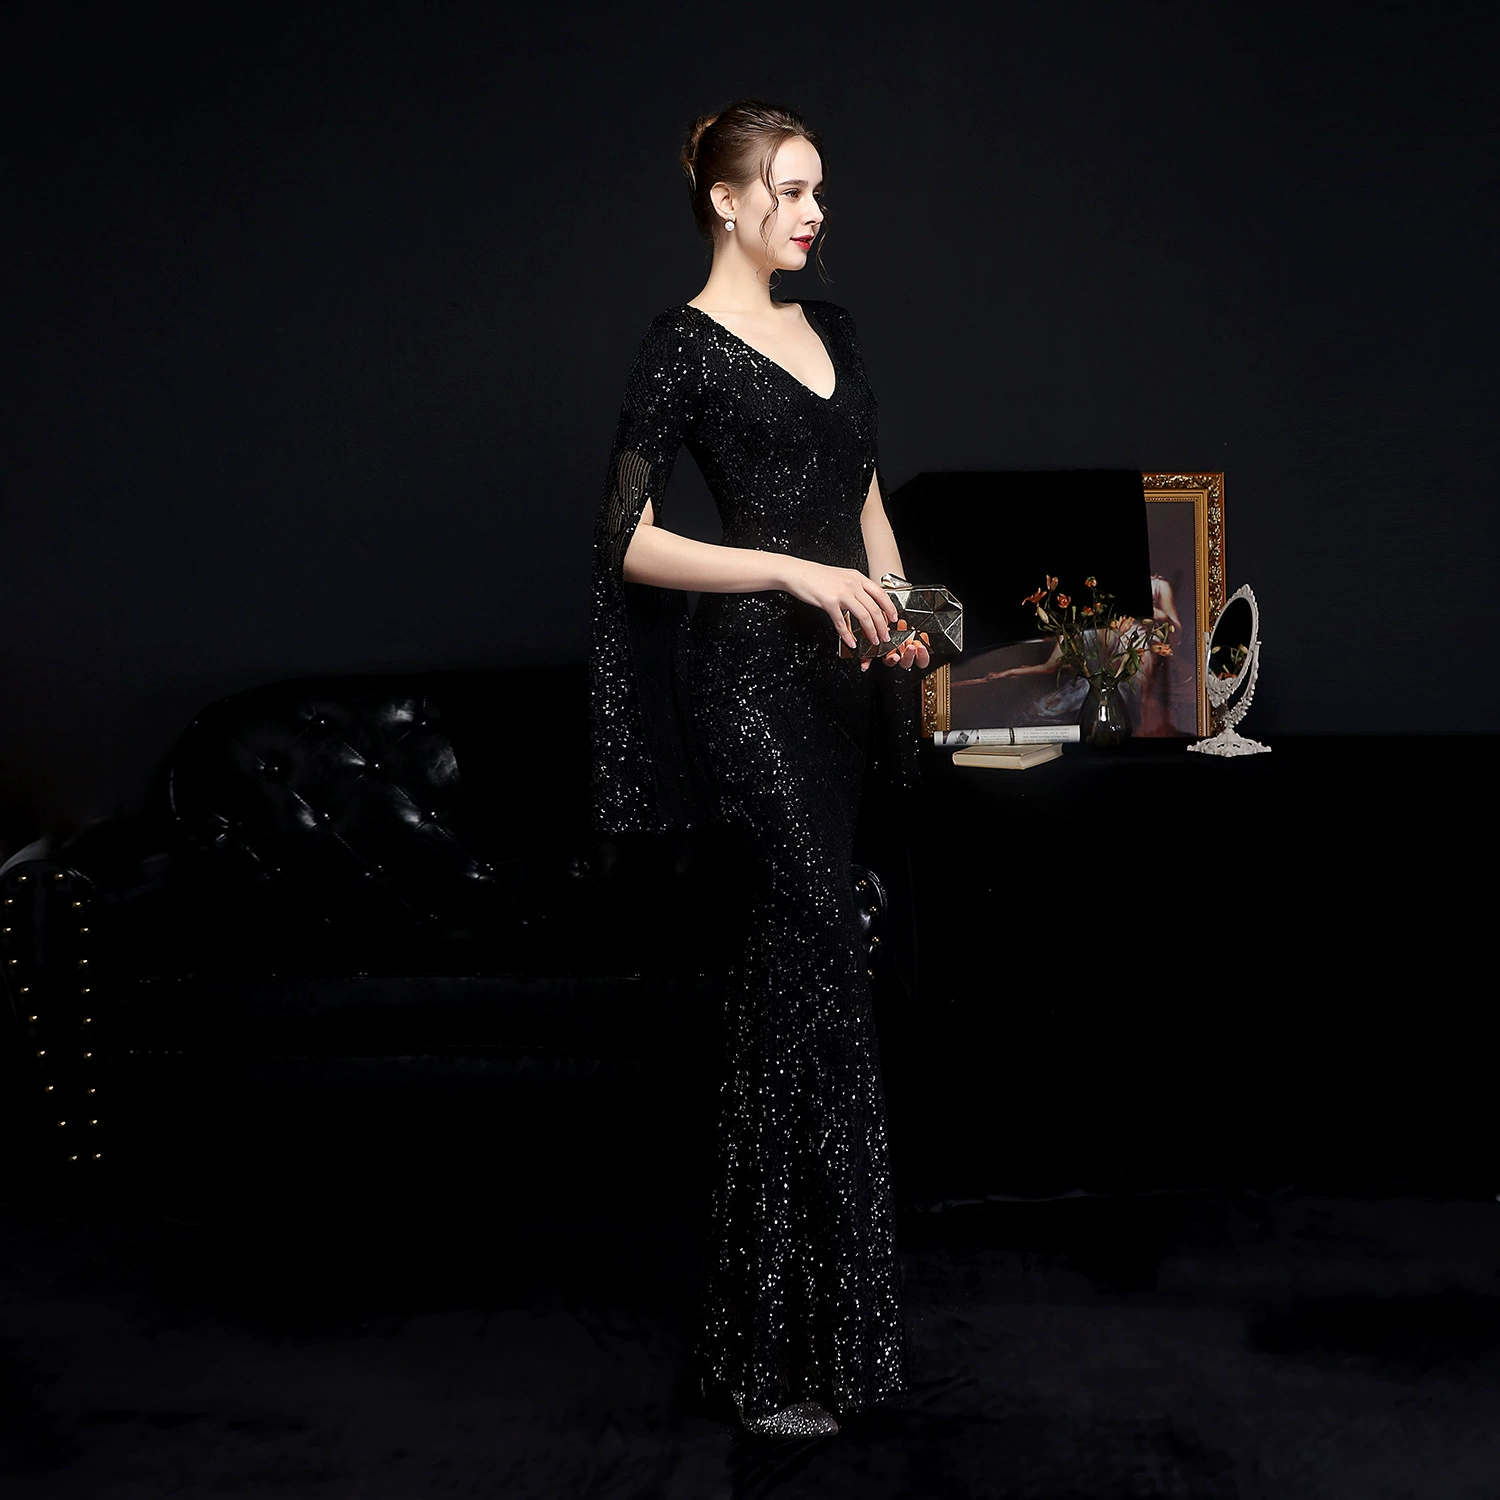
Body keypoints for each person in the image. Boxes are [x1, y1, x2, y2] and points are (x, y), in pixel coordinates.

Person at [587, 99, 931, 1438]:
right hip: (743, 685)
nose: (813, 211)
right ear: (725, 202)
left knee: (795, 989)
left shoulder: (831, 329)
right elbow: (627, 539)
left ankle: (792, 1352)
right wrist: (792, 571)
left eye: (819, 190)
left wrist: (901, 612)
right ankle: (777, 1347)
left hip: (841, 691)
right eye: (789, 190)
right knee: (822, 959)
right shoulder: (681, 344)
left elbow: (867, 500)